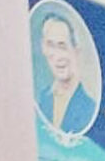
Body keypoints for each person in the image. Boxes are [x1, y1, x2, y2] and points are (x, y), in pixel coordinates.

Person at [37, 8, 95, 136]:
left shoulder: (88, 107)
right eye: (51, 45)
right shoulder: (42, 98)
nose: (58, 56)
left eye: (62, 46)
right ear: (43, 48)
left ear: (76, 51)